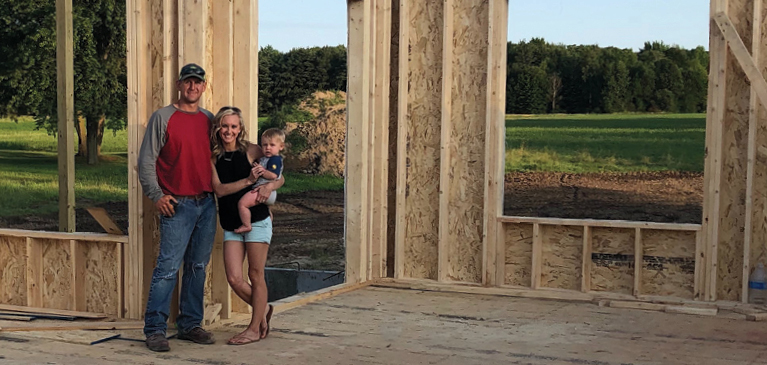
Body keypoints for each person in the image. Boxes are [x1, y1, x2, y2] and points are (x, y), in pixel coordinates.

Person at [137, 63, 218, 352]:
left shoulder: (209, 119)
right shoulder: (163, 117)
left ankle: (190, 324)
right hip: (177, 204)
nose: (193, 87)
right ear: (179, 84)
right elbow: (146, 161)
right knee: (168, 268)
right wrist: (157, 195)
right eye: (188, 82)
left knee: (197, 266)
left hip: (206, 203)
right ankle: (155, 329)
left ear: (204, 87)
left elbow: (229, 149)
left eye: (198, 83)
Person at [210, 106, 284, 345]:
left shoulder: (252, 149)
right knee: (234, 278)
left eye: (233, 126)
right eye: (224, 126)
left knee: (255, 274)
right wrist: (249, 181)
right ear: (218, 128)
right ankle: (262, 311)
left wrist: (269, 186)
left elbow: (279, 175)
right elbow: (219, 190)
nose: (228, 131)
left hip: (258, 220)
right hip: (232, 224)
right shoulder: (213, 156)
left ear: (240, 128)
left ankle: (253, 328)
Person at [234, 128, 285, 234]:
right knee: (265, 209)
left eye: (272, 145)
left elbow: (273, 175)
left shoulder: (275, 159)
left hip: (263, 190)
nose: (268, 148)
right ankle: (269, 219)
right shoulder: (266, 158)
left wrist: (262, 171)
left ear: (281, 146)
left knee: (242, 204)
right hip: (263, 190)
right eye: (264, 145)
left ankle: (246, 225)